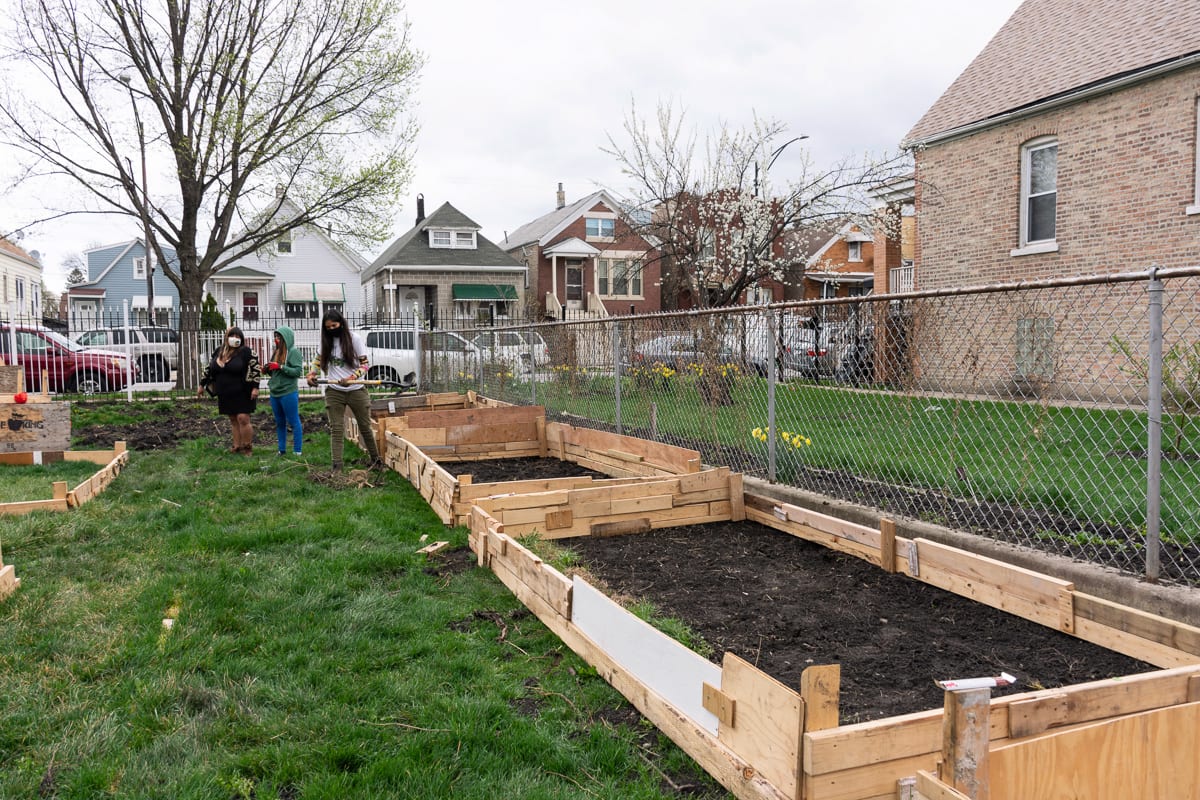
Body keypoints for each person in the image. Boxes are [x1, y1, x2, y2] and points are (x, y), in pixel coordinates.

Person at [306, 309, 383, 471]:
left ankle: (376, 462)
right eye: (328, 327)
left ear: (341, 323)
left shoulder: (354, 339)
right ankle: (337, 467)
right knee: (336, 428)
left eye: (334, 326)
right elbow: (317, 361)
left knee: (365, 427)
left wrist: (352, 377)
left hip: (356, 390)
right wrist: (312, 373)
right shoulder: (325, 341)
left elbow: (365, 365)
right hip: (334, 391)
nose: (331, 329)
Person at [198, 325, 261, 454]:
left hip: (243, 391)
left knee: (243, 418)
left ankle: (247, 448)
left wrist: (255, 387)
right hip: (225, 391)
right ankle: (236, 446)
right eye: (232, 335)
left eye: (238, 336)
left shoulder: (246, 352)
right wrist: (201, 385)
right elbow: (209, 369)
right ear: (226, 337)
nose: (235, 338)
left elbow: (256, 369)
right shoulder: (219, 351)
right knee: (233, 419)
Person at [261, 325, 304, 456]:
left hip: (288, 392)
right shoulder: (277, 352)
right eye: (275, 337)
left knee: (293, 421)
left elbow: (297, 371)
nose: (277, 339)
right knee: (279, 422)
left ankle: (297, 451)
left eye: (279, 337)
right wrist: (267, 369)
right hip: (275, 392)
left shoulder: (293, 352)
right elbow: (275, 373)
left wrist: (280, 367)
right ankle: (281, 450)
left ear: (286, 338)